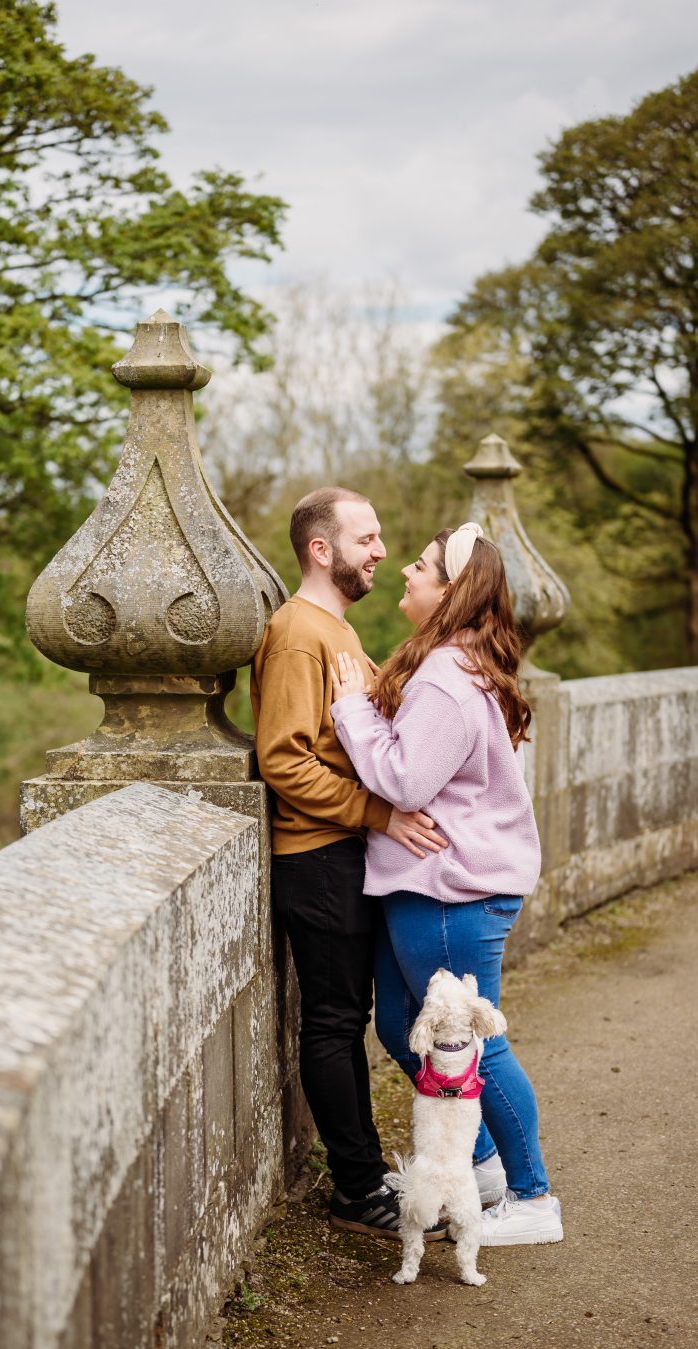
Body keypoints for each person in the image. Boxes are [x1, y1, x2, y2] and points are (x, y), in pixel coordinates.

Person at [328, 522, 563, 1246]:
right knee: (401, 1027)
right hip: (434, 886)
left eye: (423, 566)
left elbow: (403, 778)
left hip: (451, 891)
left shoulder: (445, 679)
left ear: (450, 590)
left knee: (474, 1044)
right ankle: (484, 1167)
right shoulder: (450, 665)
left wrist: (353, 710)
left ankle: (532, 1197)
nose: (405, 569)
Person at [251, 486, 448, 1240]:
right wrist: (378, 813)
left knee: (350, 1018)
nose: (381, 552)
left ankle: (365, 1174)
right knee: (334, 1021)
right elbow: (283, 759)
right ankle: (357, 1188)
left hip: (346, 853)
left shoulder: (335, 631)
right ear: (320, 549)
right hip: (319, 855)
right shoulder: (301, 633)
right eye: (366, 538)